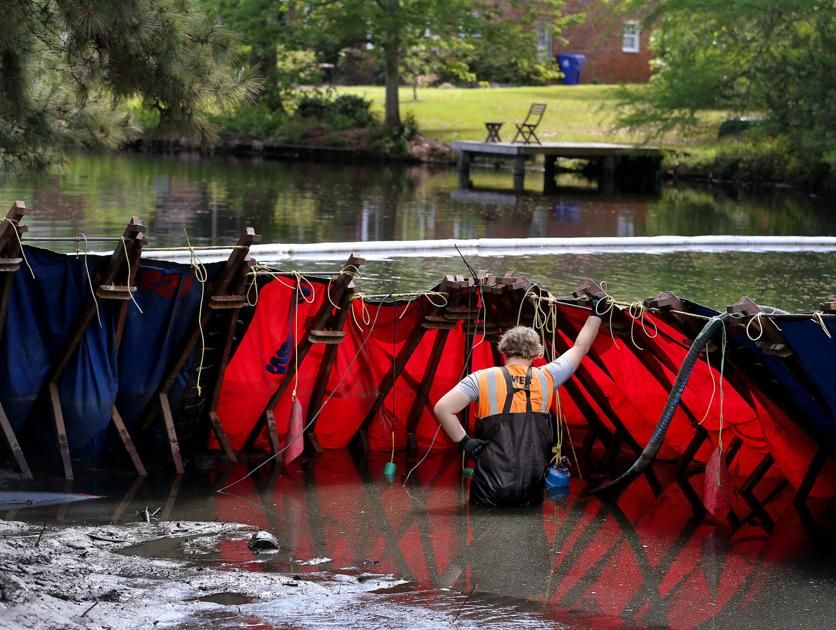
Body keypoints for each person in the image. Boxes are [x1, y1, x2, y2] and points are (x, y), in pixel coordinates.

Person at [433, 302, 602, 507]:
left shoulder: (480, 379)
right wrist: (596, 313)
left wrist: (465, 442)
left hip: (489, 490)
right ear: (537, 354)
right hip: (530, 490)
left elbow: (443, 408)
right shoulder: (548, 377)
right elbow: (580, 347)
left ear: (503, 349)